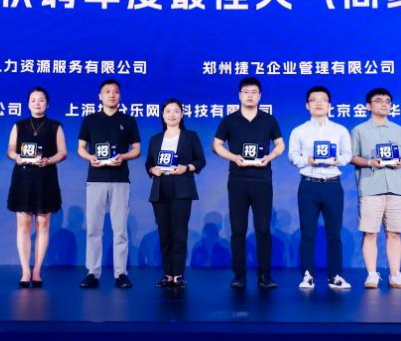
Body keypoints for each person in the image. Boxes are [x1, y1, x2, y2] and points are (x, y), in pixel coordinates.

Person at [212, 77, 285, 290]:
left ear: (260, 96)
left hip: (262, 180)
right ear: (239, 95)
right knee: (238, 229)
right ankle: (239, 275)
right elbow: (216, 145)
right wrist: (233, 158)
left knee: (263, 229)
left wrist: (270, 157)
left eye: (254, 92)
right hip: (238, 180)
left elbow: (280, 145)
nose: (250, 95)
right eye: (246, 92)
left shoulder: (268, 120)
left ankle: (264, 275)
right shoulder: (229, 120)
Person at [77, 79, 142, 289]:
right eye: (107, 91)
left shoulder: (128, 120)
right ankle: (92, 273)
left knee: (120, 230)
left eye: (115, 92)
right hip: (95, 179)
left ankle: (120, 273)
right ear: (100, 96)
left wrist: (123, 156)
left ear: (120, 96)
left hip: (120, 180)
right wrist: (89, 157)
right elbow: (80, 148)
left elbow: (137, 150)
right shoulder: (90, 120)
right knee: (93, 229)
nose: (112, 95)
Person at [287, 85, 353, 290]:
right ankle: (307, 275)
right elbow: (292, 156)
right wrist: (307, 160)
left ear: (329, 105)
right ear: (307, 105)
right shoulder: (299, 131)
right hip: (309, 185)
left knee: (334, 233)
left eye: (323, 100)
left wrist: (336, 160)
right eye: (313, 100)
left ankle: (335, 276)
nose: (318, 103)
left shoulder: (340, 130)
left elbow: (347, 155)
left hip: (333, 185)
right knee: (308, 233)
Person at [351, 88, 401, 289]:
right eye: (379, 100)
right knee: (370, 233)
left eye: (388, 101)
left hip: (396, 188)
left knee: (394, 233)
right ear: (368, 106)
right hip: (370, 187)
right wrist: (370, 162)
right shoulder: (359, 130)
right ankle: (371, 274)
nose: (384, 104)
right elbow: (351, 156)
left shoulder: (399, 130)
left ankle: (395, 275)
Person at [6, 87, 67, 288]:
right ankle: (25, 270)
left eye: (41, 100)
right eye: (33, 100)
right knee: (23, 225)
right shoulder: (19, 125)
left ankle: (37, 270)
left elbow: (62, 153)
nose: (37, 103)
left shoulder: (55, 126)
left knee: (43, 224)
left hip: (45, 178)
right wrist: (17, 157)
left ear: (47, 104)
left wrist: (48, 160)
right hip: (23, 178)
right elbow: (10, 150)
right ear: (28, 103)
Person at [145, 99, 207, 288]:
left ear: (182, 114)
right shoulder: (155, 139)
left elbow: (200, 161)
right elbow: (149, 162)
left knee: (179, 233)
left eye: (176, 111)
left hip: (182, 188)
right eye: (168, 111)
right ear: (162, 115)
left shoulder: (190, 136)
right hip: (160, 188)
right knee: (164, 233)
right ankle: (167, 275)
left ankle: (178, 275)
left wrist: (186, 168)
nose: (172, 115)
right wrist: (152, 170)